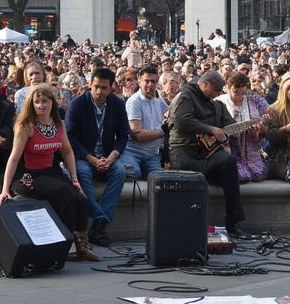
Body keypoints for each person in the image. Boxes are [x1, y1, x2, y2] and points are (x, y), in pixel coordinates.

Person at [0, 84, 100, 261]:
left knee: (80, 197)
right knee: (65, 195)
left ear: (52, 102)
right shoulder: (26, 126)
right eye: (37, 102)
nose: (40, 105)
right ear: (31, 104)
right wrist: (5, 189)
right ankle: (62, 244)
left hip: (51, 172)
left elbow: (67, 151)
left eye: (44, 101)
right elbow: (14, 158)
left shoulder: (59, 125)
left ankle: (82, 247)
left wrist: (75, 179)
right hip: (27, 175)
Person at [167, 70, 249, 239]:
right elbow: (182, 120)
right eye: (217, 90)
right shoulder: (185, 96)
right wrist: (211, 129)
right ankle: (190, 226)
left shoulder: (217, 105)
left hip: (207, 153)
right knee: (194, 177)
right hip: (184, 151)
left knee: (229, 162)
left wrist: (240, 128)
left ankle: (233, 222)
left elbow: (230, 125)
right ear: (206, 85)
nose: (219, 94)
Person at [65, 68, 130, 246]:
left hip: (108, 155)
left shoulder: (118, 105)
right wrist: (90, 158)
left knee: (120, 172)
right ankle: (101, 220)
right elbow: (70, 137)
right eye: (96, 87)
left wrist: (112, 157)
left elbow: (124, 135)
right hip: (84, 156)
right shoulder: (77, 104)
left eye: (104, 87)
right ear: (89, 85)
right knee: (82, 173)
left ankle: (99, 224)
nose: (99, 92)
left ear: (111, 88)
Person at [216, 71, 268, 182]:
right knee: (236, 175)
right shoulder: (219, 102)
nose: (240, 90)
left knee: (257, 174)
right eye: (236, 87)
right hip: (225, 146)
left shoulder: (254, 101)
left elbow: (267, 123)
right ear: (229, 87)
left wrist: (256, 133)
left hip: (249, 148)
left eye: (243, 87)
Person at [119, 65, 168, 180]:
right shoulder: (134, 102)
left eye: (153, 81)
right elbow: (138, 135)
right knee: (132, 172)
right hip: (132, 151)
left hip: (152, 154)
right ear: (139, 80)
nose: (150, 84)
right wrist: (164, 131)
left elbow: (170, 115)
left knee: (160, 180)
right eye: (147, 81)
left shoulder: (159, 100)